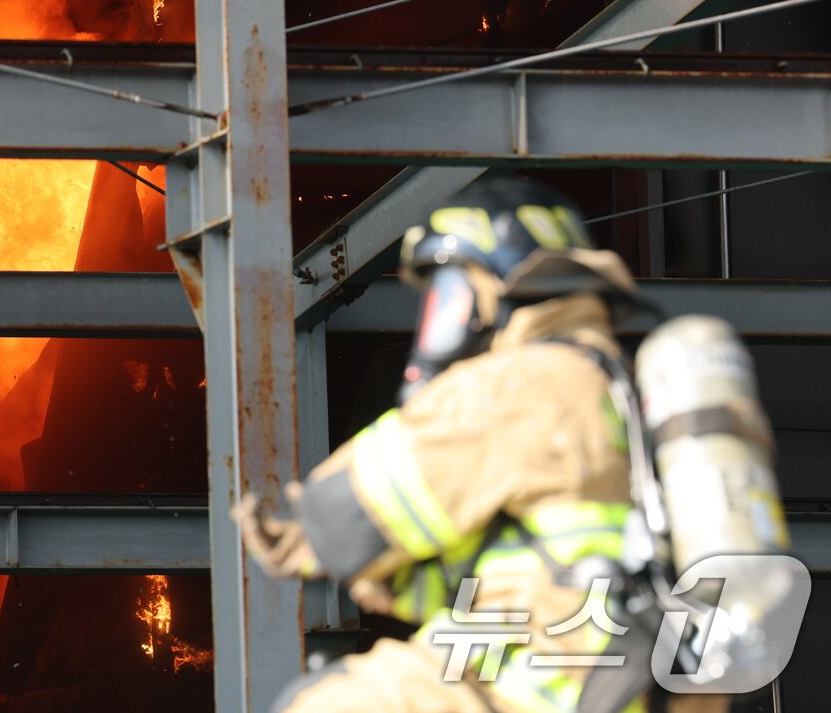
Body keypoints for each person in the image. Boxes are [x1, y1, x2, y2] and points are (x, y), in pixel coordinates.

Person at [236, 178, 726, 713]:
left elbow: (346, 516)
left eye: (449, 292)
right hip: (635, 684)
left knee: (326, 703)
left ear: (495, 286)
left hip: (547, 685)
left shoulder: (521, 383)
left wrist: (297, 526)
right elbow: (520, 569)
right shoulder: (623, 387)